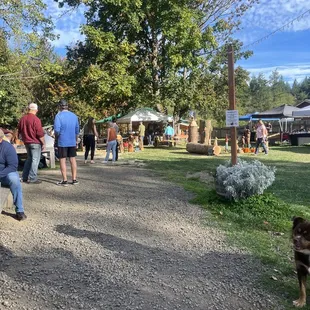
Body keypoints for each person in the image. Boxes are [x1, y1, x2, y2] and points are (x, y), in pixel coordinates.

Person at [0, 129, 27, 221]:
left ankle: (19, 210)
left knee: (14, 179)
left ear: (0, 139)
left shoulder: (8, 148)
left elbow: (12, 166)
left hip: (6, 173)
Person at [54, 99, 80, 186]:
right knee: (73, 159)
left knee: (62, 160)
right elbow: (77, 130)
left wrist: (56, 138)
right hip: (72, 140)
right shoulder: (74, 116)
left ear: (60, 106)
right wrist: (76, 141)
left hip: (62, 140)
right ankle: (74, 179)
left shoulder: (58, 116)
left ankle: (65, 180)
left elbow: (57, 130)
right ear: (67, 106)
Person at [18, 103, 45, 184]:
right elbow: (39, 133)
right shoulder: (36, 119)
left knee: (29, 159)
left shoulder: (22, 119)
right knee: (35, 160)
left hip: (27, 142)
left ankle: (24, 177)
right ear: (36, 110)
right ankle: (33, 177)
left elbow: (19, 131)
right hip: (35, 142)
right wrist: (44, 143)